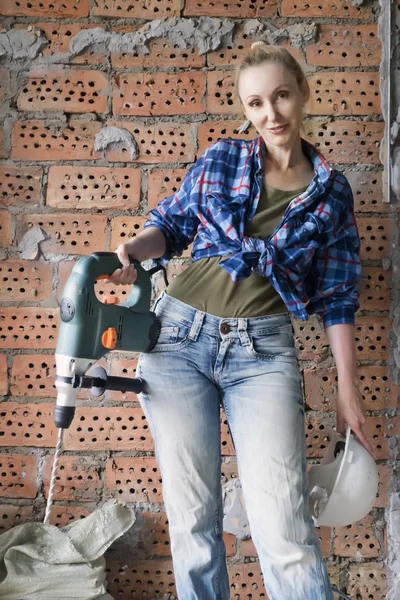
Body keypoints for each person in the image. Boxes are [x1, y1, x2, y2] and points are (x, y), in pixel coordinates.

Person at [108, 41, 374, 600]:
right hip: (178, 341)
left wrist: (349, 390)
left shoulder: (331, 192)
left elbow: (338, 296)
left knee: (285, 529)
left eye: (280, 96)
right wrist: (133, 248)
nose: (270, 114)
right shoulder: (222, 159)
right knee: (194, 522)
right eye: (256, 103)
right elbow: (172, 226)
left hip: (264, 353)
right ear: (245, 109)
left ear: (303, 92)